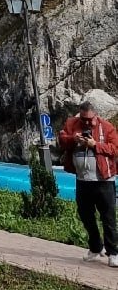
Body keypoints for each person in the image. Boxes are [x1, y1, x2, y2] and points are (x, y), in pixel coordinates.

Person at [58, 100, 118, 264]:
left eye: (89, 119)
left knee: (108, 217)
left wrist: (95, 145)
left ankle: (113, 252)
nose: (86, 123)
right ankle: (95, 248)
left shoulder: (107, 127)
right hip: (83, 180)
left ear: (96, 116)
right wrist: (73, 139)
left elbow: (115, 149)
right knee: (86, 217)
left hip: (103, 180)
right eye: (83, 119)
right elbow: (62, 140)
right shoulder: (72, 124)